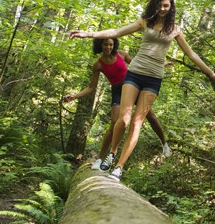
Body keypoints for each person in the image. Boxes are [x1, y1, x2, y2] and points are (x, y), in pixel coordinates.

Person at [68, 0, 215, 181]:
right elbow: (116, 32)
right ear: (154, 5)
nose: (162, 9)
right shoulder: (145, 21)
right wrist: (89, 34)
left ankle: (118, 168)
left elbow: (191, 55)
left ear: (171, 8)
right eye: (159, 5)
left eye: (166, 6)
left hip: (154, 79)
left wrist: (211, 73)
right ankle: (112, 152)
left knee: (137, 122)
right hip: (134, 74)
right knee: (123, 119)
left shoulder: (174, 29)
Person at [62, 37, 171, 171]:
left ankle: (164, 143)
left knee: (151, 117)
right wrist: (74, 96)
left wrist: (161, 65)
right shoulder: (98, 65)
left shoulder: (122, 54)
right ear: (100, 46)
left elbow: (140, 66)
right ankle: (100, 159)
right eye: (105, 45)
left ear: (114, 45)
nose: (108, 47)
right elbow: (91, 87)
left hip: (132, 87)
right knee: (115, 122)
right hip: (117, 90)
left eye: (111, 45)